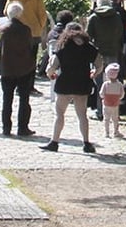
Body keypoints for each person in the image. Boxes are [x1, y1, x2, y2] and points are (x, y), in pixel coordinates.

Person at [42, 21, 98, 153]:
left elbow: (52, 67)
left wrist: (51, 75)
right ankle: (86, 143)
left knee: (60, 113)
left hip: (65, 84)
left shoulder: (63, 47)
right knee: (82, 115)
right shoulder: (89, 47)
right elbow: (99, 63)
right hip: (82, 83)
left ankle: (54, 142)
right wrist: (95, 72)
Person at [84, 0, 126, 117]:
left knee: (99, 83)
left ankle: (100, 110)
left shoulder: (94, 17)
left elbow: (88, 36)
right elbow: (120, 33)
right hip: (113, 51)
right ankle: (114, 110)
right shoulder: (117, 16)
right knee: (113, 80)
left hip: (98, 52)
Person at [0, 2, 35, 136]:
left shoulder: (2, 30)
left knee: (7, 99)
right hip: (23, 68)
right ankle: (22, 127)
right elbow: (30, 47)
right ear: (20, 14)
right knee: (24, 99)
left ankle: (6, 127)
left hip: (7, 68)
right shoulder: (25, 30)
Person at [9, 0, 48, 71]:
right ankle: (29, 81)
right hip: (33, 31)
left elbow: (6, 10)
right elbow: (42, 14)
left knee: (19, 56)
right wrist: (40, 26)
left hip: (17, 30)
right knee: (32, 58)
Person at [98, 63, 126, 138]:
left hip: (106, 104)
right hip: (115, 104)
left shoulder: (105, 84)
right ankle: (116, 132)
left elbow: (101, 94)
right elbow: (122, 94)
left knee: (106, 119)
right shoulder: (119, 84)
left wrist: (103, 97)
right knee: (115, 119)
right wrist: (118, 98)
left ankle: (106, 133)